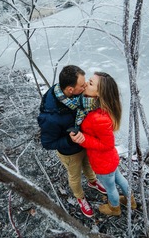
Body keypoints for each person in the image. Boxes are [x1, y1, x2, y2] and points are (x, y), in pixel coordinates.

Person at [37, 65, 106, 218]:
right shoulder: (50, 117)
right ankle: (80, 197)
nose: (86, 86)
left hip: (84, 143)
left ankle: (92, 181)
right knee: (74, 175)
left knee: (87, 164)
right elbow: (47, 143)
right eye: (82, 86)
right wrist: (70, 141)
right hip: (69, 151)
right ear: (70, 89)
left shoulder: (74, 98)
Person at [70, 71, 137, 216]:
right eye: (89, 80)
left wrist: (84, 139)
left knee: (110, 187)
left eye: (91, 83)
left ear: (100, 93)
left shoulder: (98, 117)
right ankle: (130, 200)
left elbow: (107, 144)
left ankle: (114, 208)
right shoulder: (99, 110)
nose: (86, 83)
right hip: (110, 160)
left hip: (103, 163)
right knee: (119, 179)